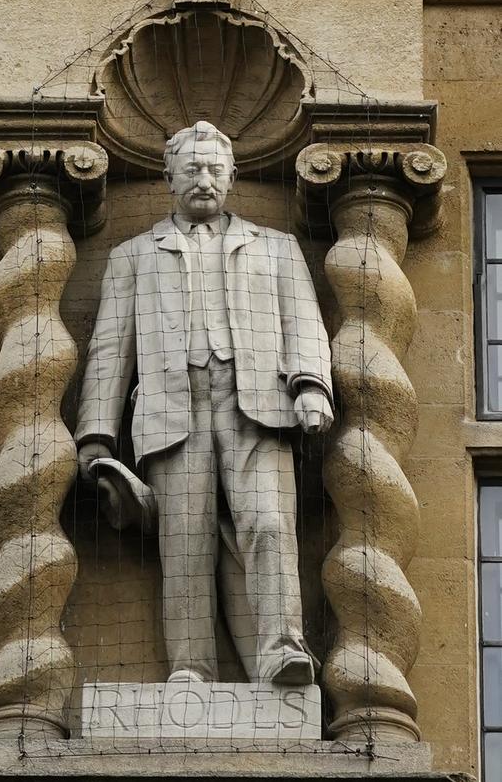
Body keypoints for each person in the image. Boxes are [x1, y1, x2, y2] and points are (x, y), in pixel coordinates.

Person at [75, 121, 333, 686]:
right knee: (184, 544)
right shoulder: (134, 255)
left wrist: (311, 384)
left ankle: (283, 649)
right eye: (192, 169)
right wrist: (95, 435)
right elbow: (109, 348)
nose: (205, 179)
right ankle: (190, 668)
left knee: (269, 523)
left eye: (215, 169)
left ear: (234, 176)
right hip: (172, 410)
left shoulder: (278, 247)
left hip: (260, 406)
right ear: (169, 177)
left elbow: (305, 322)